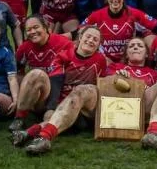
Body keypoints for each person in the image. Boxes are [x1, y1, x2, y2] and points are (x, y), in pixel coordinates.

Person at [14, 25, 107, 154]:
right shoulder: (65, 55)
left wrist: (122, 73)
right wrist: (51, 107)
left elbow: (108, 77)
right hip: (60, 102)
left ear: (98, 45)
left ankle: (39, 135)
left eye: (95, 39)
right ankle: (21, 122)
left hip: (81, 107)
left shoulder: (101, 60)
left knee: (82, 90)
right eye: (88, 36)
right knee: (36, 74)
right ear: (80, 37)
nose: (91, 40)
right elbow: (56, 81)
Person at [107, 37, 157, 153]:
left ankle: (153, 133)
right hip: (118, 108)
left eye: (140, 46)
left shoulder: (154, 74)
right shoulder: (115, 67)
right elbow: (103, 86)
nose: (135, 47)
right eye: (131, 46)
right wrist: (116, 77)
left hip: (142, 108)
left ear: (146, 54)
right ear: (126, 54)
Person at [8, 15, 75, 132]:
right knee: (34, 75)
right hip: (38, 95)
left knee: (38, 74)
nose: (32, 32)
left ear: (46, 28)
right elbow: (15, 70)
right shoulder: (24, 48)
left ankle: (40, 125)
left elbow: (74, 69)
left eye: (36, 27)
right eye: (28, 30)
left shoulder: (63, 43)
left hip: (58, 94)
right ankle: (19, 117)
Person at [80, 0, 157, 63]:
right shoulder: (97, 15)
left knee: (151, 36)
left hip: (127, 60)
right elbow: (80, 31)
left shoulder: (134, 14)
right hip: (105, 61)